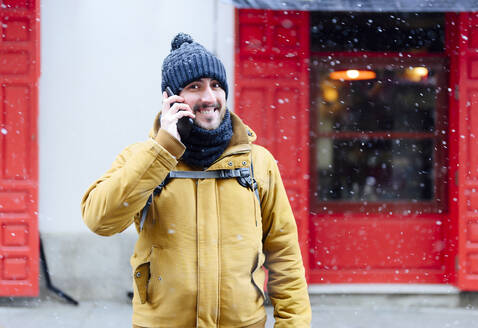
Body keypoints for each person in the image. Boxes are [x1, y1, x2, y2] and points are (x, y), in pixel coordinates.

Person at [81, 33, 311, 328]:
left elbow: (284, 254)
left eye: (216, 85)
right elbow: (100, 221)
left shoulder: (258, 162)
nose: (208, 97)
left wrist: (293, 324)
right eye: (194, 87)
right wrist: (162, 149)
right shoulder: (142, 158)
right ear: (171, 98)